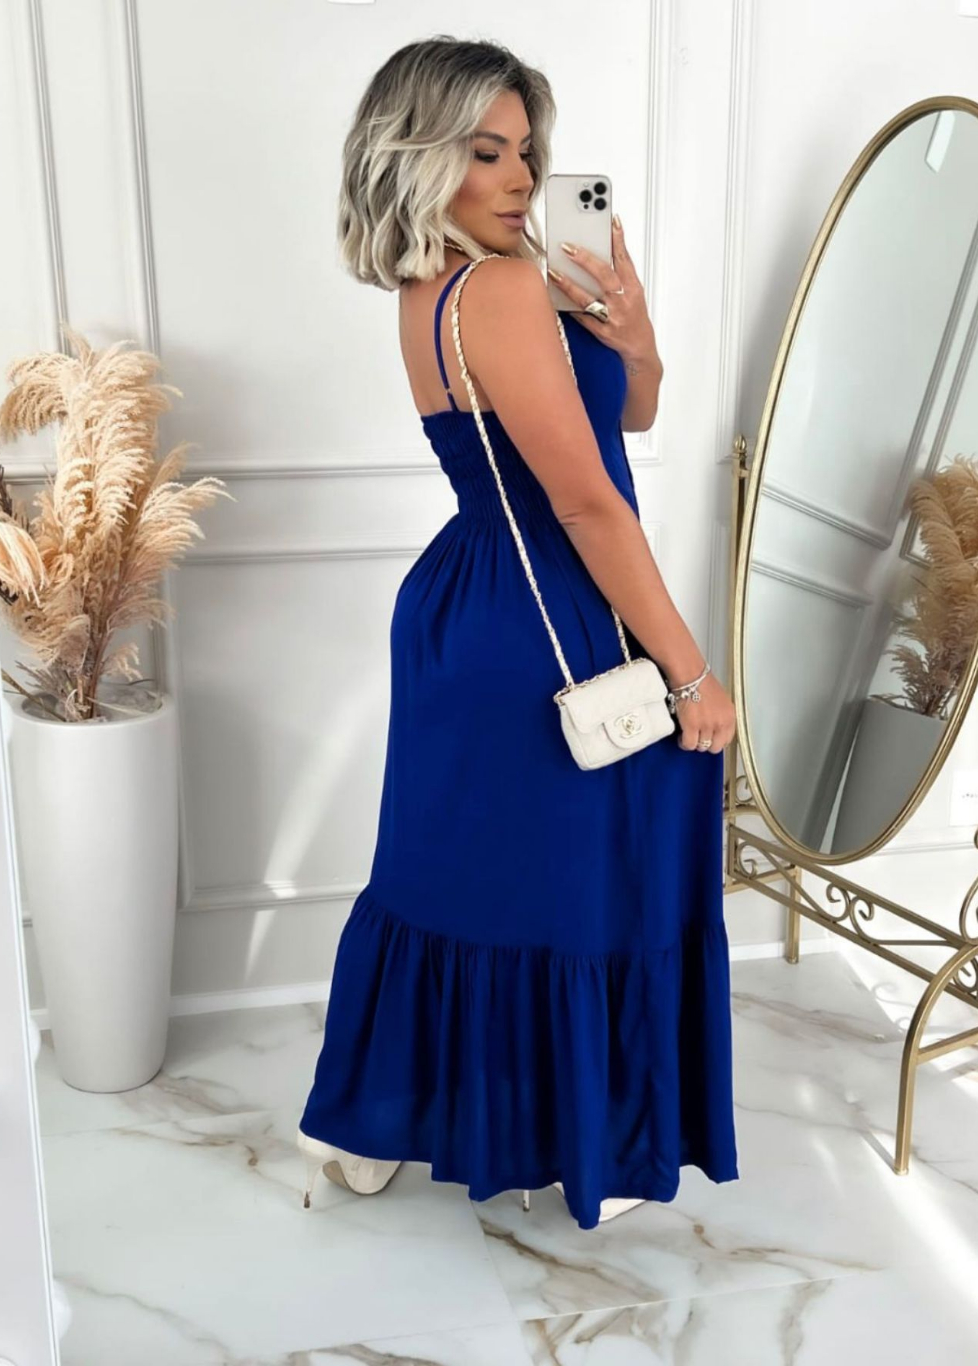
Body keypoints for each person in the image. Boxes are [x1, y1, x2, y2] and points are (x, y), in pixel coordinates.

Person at [297, 35, 739, 1230]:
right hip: (548, 611)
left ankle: (374, 1116)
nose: (521, 177)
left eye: (527, 151)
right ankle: (590, 1136)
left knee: (454, 869)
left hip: (472, 605)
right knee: (589, 876)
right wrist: (689, 672)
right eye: (485, 152)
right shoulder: (493, 292)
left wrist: (632, 333)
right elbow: (588, 501)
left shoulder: (447, 289)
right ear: (417, 156)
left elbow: (629, 413)